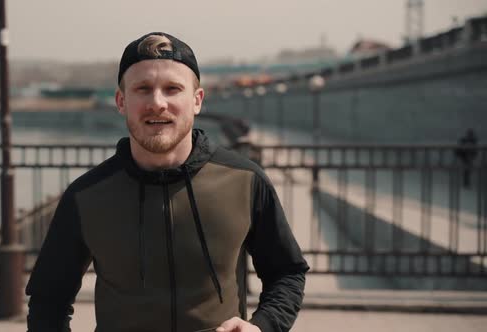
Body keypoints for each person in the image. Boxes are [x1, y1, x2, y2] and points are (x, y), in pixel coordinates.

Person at [26, 32, 309, 332]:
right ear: (121, 101)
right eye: (143, 89)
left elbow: (287, 272)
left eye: (172, 89)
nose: (157, 103)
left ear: (197, 100)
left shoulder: (245, 180)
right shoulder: (86, 196)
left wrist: (262, 326)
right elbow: (48, 301)